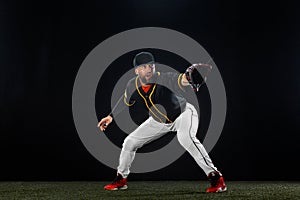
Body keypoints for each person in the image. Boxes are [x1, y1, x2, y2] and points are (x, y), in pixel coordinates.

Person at [97, 51, 227, 193]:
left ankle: (216, 178)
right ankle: (121, 179)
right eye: (144, 66)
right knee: (129, 142)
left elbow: (181, 79)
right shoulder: (132, 85)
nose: (149, 69)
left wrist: (189, 76)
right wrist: (110, 116)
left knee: (185, 138)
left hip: (183, 114)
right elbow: (124, 100)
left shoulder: (165, 79)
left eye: (151, 66)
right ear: (136, 71)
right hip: (158, 121)